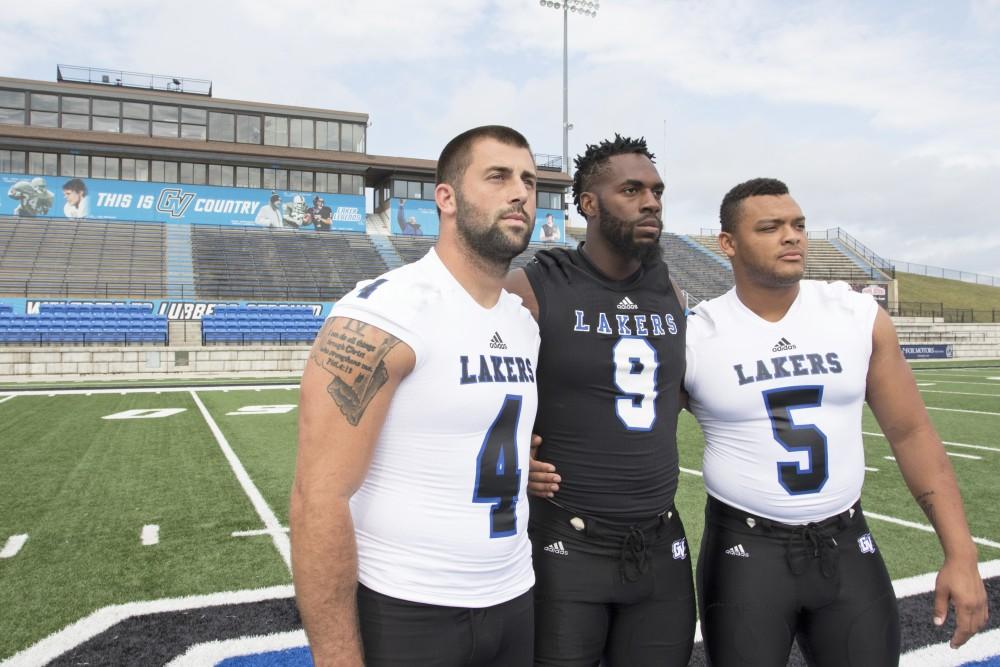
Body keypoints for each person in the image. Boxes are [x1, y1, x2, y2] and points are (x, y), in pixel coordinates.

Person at [684, 178, 988, 665]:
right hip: (745, 553)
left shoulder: (855, 315)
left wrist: (960, 551)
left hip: (846, 543)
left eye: (798, 225)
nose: (792, 236)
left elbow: (911, 433)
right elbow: (627, 430)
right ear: (728, 244)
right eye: (771, 227)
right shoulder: (697, 334)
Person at [291, 125, 542, 667]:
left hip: (515, 595)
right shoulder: (383, 314)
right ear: (446, 198)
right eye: (497, 176)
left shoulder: (523, 323)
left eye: (528, 179)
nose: (520, 191)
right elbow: (319, 498)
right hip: (410, 607)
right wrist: (336, 658)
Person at [509, 135, 696, 666]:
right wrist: (507, 454)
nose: (651, 201)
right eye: (632, 190)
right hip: (566, 541)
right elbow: (470, 386)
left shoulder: (671, 291)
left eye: (657, 190)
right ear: (589, 204)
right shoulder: (536, 285)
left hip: (660, 542)